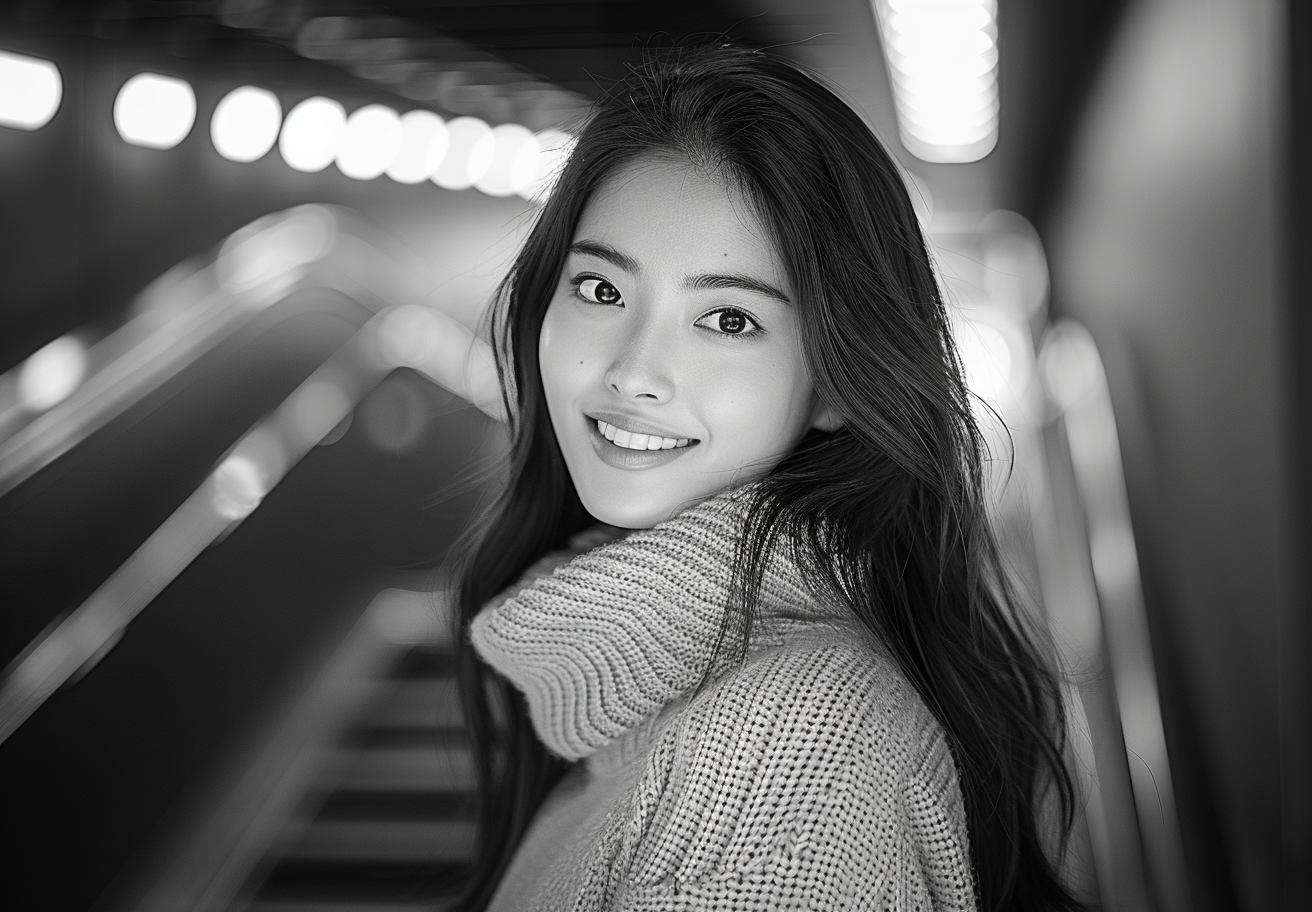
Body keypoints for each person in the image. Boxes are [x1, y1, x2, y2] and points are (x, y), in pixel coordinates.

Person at [443, 43, 1081, 912]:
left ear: (834, 387)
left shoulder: (787, 752)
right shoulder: (630, 697)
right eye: (600, 289)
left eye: (729, 318)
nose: (634, 370)